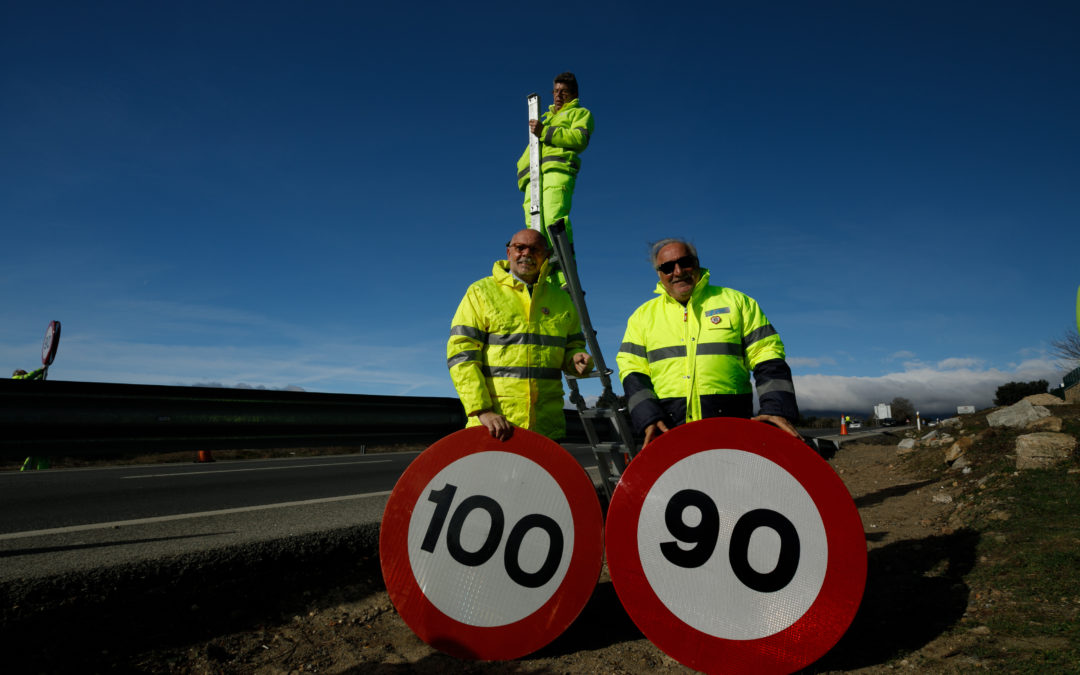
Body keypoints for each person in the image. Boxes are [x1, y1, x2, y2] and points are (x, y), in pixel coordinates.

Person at [616, 238, 801, 446]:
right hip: (668, 430)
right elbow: (632, 369)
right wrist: (647, 417)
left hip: (731, 425)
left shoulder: (738, 303)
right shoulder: (642, 317)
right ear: (659, 274)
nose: (677, 272)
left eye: (684, 262)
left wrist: (776, 409)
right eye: (668, 267)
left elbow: (767, 354)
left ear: (697, 263)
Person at [447, 229, 594, 441]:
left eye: (535, 249)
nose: (527, 253)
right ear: (509, 253)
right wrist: (481, 411)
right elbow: (462, 355)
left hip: (546, 426)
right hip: (493, 425)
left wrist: (577, 357)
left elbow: (573, 346)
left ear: (545, 256)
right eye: (520, 248)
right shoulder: (481, 292)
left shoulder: (561, 300)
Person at [515, 72, 594, 248]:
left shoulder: (579, 113)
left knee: (553, 220)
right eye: (556, 91)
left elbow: (579, 139)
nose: (558, 95)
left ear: (574, 94)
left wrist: (545, 132)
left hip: (557, 171)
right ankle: (543, 270)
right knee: (534, 228)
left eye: (564, 92)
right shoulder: (547, 118)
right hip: (533, 178)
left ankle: (562, 269)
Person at [12, 368, 51, 470]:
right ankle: (31, 470)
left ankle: (35, 471)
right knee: (37, 451)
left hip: (30, 419)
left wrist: (42, 375)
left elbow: (34, 379)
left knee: (40, 452)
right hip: (25, 419)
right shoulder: (15, 379)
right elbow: (28, 377)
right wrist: (41, 369)